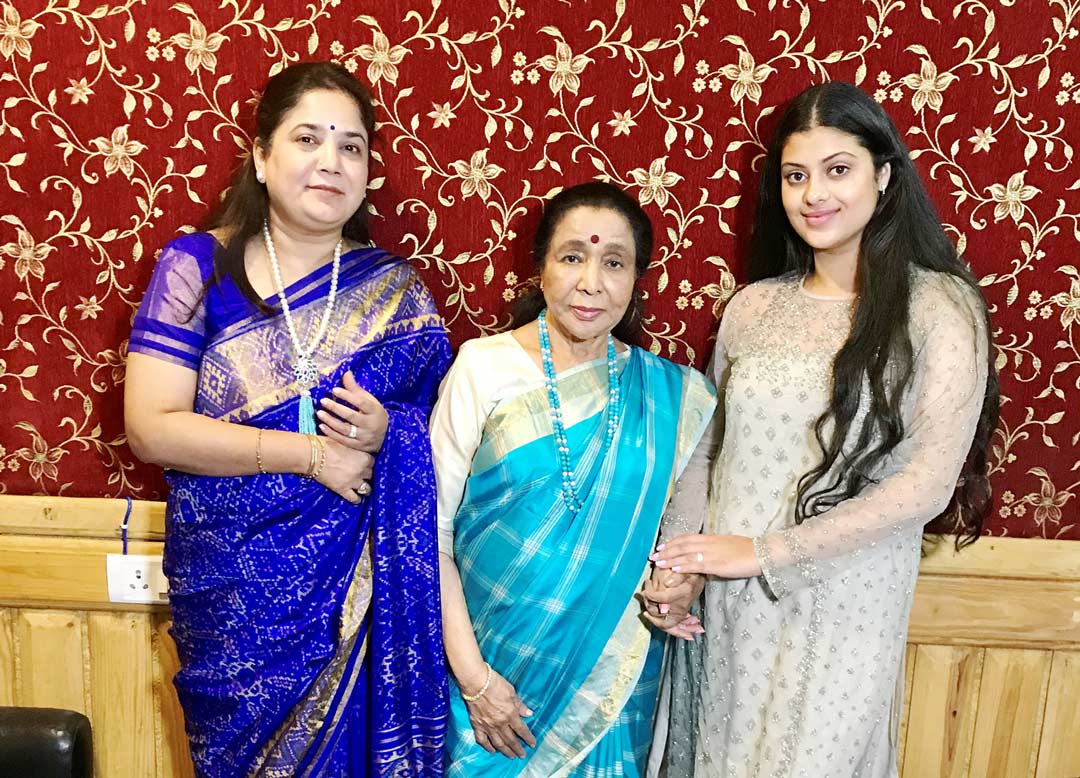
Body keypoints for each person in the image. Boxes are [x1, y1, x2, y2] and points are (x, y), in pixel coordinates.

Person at [644, 82, 1000, 777]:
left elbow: (926, 481)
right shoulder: (752, 308)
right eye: (795, 175)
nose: (814, 195)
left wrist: (764, 552)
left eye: (838, 169)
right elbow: (708, 449)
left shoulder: (937, 307)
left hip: (844, 602)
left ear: (884, 175)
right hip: (727, 604)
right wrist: (680, 568)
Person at [124, 62, 450, 777]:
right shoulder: (196, 268)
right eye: (308, 138)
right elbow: (151, 427)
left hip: (356, 596)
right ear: (261, 156)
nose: (331, 161)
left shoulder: (397, 292)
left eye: (351, 146)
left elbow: (448, 446)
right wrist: (311, 456)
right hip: (235, 597)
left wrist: (390, 434)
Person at [431, 182, 716, 776]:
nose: (591, 282)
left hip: (607, 679)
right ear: (540, 268)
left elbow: (681, 536)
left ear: (635, 279)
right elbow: (430, 537)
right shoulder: (482, 367)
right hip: (484, 677)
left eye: (614, 262)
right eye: (572, 257)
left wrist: (679, 585)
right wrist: (477, 682)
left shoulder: (671, 395)